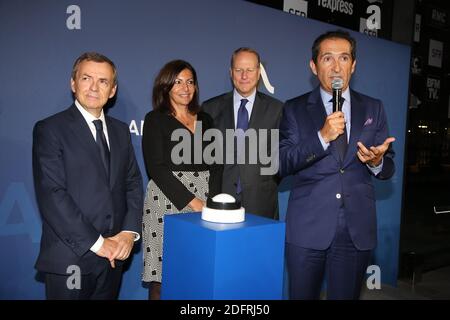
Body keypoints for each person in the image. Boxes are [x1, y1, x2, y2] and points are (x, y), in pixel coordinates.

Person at [279, 30, 396, 299]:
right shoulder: (294, 108)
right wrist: (321, 137)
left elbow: (389, 166)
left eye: (344, 58)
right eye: (327, 58)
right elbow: (283, 162)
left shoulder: (373, 108)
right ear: (313, 66)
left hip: (356, 229)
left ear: (353, 66)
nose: (336, 66)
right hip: (308, 227)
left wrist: (377, 161)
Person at [32, 52, 143, 299]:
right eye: (86, 78)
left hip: (113, 261)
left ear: (112, 90)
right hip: (71, 258)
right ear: (73, 84)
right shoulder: (50, 129)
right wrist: (99, 243)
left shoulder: (121, 132)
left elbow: (133, 183)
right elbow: (53, 195)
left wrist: (127, 233)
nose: (94, 87)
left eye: (103, 81)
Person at [141, 60, 222, 300]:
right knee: (162, 277)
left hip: (206, 203)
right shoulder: (155, 119)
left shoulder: (205, 119)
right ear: (165, 87)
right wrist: (193, 202)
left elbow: (216, 164)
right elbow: (156, 167)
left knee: (196, 272)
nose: (185, 88)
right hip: (167, 201)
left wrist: (211, 202)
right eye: (177, 82)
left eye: (190, 82)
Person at [202, 47, 283, 219]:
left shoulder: (278, 109)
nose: (244, 76)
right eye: (239, 70)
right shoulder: (209, 108)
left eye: (249, 70)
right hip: (219, 203)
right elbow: (202, 157)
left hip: (262, 204)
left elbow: (283, 157)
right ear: (231, 72)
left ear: (259, 72)